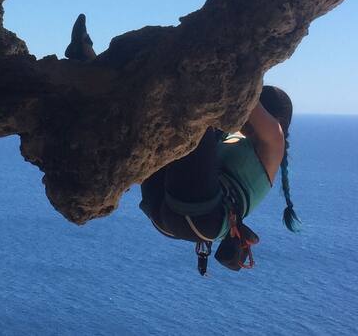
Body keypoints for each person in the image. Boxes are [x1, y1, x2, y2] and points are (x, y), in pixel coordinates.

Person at [65, 14, 299, 275]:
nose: (240, 118)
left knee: (195, 112)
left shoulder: (273, 143)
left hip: (200, 214)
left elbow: (243, 96)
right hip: (168, 213)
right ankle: (86, 60)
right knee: (145, 117)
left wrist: (222, 55)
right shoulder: (238, 138)